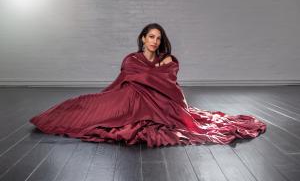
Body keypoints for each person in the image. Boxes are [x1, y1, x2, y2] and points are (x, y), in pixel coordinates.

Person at [30, 23, 266, 148]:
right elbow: (138, 78)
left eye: (158, 38)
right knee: (85, 104)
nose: (154, 41)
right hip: (126, 99)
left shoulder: (167, 60)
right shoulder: (131, 59)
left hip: (154, 106)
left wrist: (164, 64)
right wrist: (155, 72)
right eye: (151, 36)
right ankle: (53, 119)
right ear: (143, 38)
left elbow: (169, 85)